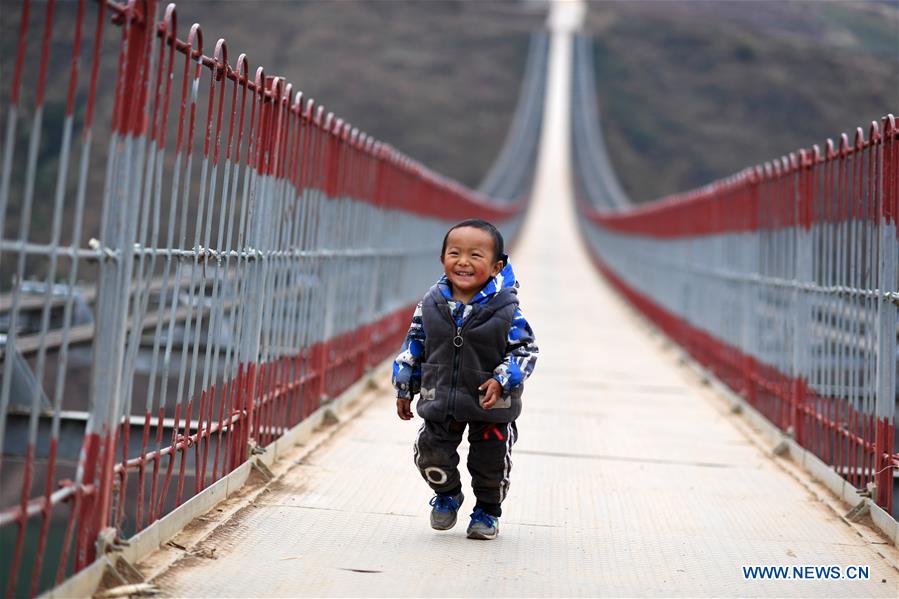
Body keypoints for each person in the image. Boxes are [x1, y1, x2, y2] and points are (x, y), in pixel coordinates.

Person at [392, 219, 538, 540]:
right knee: (431, 452)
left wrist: (502, 379)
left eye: (476, 255)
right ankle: (448, 493)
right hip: (441, 393)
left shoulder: (508, 309)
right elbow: (415, 342)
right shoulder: (431, 304)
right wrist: (405, 384)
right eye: (454, 253)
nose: (463, 262)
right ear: (442, 258)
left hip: (492, 402)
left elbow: (526, 350)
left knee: (491, 464)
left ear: (496, 266)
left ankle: (487, 511)